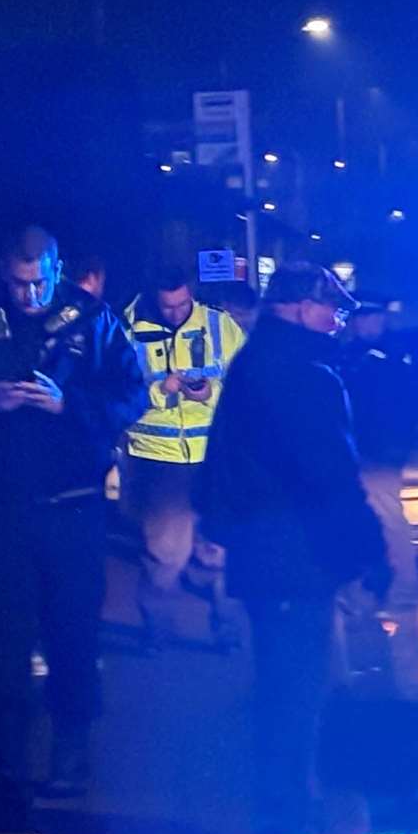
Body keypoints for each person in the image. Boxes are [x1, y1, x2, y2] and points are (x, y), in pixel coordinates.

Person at [0, 226, 147, 829]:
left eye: (39, 280)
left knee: (73, 637)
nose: (29, 294)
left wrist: (69, 407)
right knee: (5, 647)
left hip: (72, 509)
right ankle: (8, 771)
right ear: (3, 271)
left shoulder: (91, 321)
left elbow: (133, 393)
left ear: (56, 268)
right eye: (19, 283)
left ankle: (71, 754)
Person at [195, 263, 390, 834]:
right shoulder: (305, 373)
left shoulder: (254, 363)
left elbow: (222, 462)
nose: (338, 319)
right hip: (296, 553)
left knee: (285, 684)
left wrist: (219, 530)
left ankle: (286, 811)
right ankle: (288, 820)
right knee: (297, 690)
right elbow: (331, 472)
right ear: (299, 307)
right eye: (330, 308)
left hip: (264, 553)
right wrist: (369, 550)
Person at [121, 266, 249, 647]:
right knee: (165, 555)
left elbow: (244, 382)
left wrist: (211, 391)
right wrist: (163, 390)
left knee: (220, 548)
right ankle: (157, 630)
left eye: (182, 304)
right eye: (168, 307)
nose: (176, 313)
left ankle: (227, 630)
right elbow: (119, 394)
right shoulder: (128, 329)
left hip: (212, 455)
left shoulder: (219, 325)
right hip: (160, 460)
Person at [339, 301, 418, 692]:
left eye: (371, 317)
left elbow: (399, 404)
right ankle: (375, 591)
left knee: (389, 521)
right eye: (361, 317)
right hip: (357, 450)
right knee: (364, 523)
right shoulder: (351, 355)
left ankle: (400, 594)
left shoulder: (392, 355)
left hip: (380, 452)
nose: (366, 323)